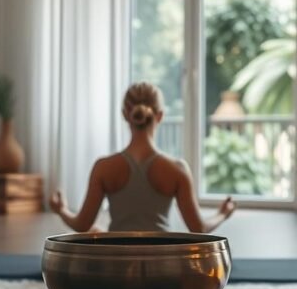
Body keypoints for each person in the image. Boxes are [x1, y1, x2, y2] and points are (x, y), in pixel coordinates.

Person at [49, 82, 236, 233]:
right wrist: (222, 213)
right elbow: (199, 228)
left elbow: (81, 225)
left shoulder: (104, 167)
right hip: (160, 261)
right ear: (160, 116)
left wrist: (61, 210)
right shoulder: (177, 169)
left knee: (95, 232)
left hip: (118, 261)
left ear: (125, 115)